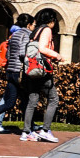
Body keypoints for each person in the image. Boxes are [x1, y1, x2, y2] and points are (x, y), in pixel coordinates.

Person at [0, 13, 33, 135]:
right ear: (29, 25)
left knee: (11, 102)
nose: (34, 27)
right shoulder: (27, 35)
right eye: (33, 24)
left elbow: (8, 55)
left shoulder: (13, 36)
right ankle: (30, 128)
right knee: (28, 100)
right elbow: (24, 53)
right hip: (20, 72)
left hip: (10, 72)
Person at [21, 11, 63, 143]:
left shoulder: (35, 31)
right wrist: (57, 55)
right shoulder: (46, 30)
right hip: (42, 70)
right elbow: (43, 49)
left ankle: (26, 132)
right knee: (53, 99)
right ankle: (45, 130)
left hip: (31, 70)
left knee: (32, 101)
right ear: (51, 20)